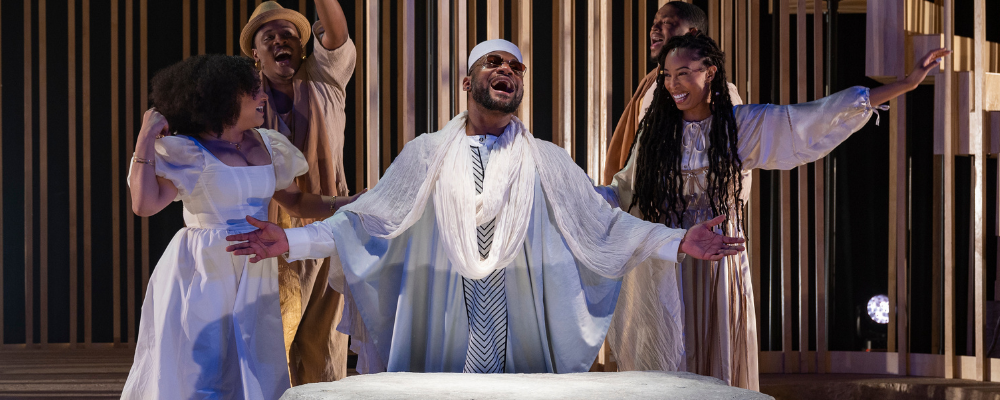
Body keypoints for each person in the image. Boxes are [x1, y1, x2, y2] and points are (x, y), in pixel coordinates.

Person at [225, 39, 746, 374]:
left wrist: (678, 240)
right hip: (444, 339)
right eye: (493, 63)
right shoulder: (425, 155)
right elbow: (362, 222)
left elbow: (605, 225)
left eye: (516, 66)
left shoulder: (546, 161)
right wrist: (290, 240)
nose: (508, 71)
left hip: (521, 345)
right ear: (468, 83)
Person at [596, 33, 949, 389]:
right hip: (669, 260)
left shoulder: (740, 125)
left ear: (711, 72)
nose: (674, 84)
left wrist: (905, 83)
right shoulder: (655, 135)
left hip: (720, 261)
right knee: (671, 355)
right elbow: (624, 190)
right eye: (668, 76)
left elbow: (812, 116)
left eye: (684, 73)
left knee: (715, 359)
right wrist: (577, 196)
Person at [122, 54, 360, 399]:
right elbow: (144, 204)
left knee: (253, 363)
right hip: (204, 269)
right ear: (222, 98)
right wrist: (145, 138)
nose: (262, 97)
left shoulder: (267, 143)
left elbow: (294, 202)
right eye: (252, 92)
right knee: (203, 367)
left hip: (254, 266)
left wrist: (346, 204)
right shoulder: (187, 150)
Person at [240, 0, 357, 384]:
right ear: (255, 53)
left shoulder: (326, 78)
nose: (280, 41)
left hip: (330, 221)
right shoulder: (243, 101)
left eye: (288, 34)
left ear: (304, 45)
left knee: (325, 344)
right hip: (270, 229)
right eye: (268, 36)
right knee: (275, 340)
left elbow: (337, 33)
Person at [602, 1, 741, 186]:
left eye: (666, 22)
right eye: (654, 22)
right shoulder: (652, 83)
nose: (654, 28)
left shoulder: (719, 93)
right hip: (647, 205)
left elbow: (735, 162)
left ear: (692, 33)